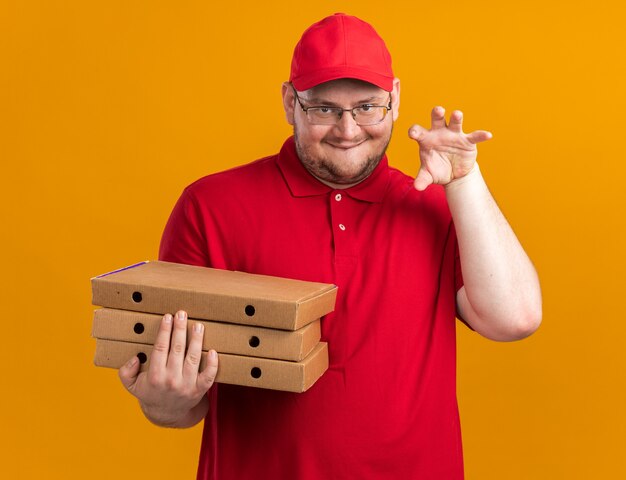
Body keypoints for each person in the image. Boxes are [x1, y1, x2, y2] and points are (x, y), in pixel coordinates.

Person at [118, 13, 542, 479]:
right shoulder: (211, 207)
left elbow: (514, 319)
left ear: (395, 100)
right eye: (323, 109)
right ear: (289, 102)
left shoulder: (437, 208)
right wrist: (163, 400)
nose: (347, 129)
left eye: (367, 107)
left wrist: (465, 180)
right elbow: (180, 406)